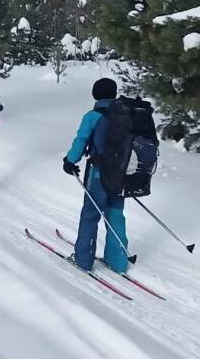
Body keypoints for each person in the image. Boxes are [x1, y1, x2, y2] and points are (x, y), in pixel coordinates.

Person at [61, 78, 131, 273]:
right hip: (122, 174)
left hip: (99, 173)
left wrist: (70, 161)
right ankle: (118, 261)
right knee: (115, 214)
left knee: (91, 214)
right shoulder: (127, 114)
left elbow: (81, 140)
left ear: (95, 94)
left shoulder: (93, 116)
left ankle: (83, 259)